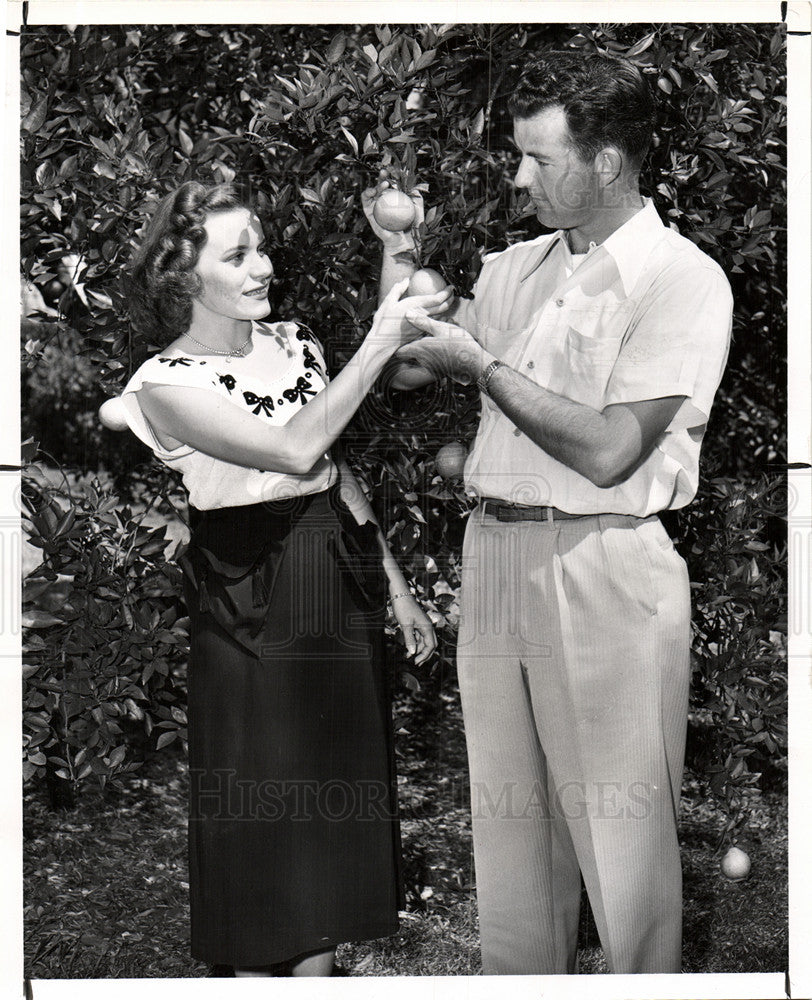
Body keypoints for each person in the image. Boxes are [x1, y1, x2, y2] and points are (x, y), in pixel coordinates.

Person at [363, 51, 733, 975]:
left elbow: (611, 451)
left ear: (607, 161)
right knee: (512, 837)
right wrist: (396, 253)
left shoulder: (678, 280)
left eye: (539, 157)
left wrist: (482, 368)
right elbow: (407, 367)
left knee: (622, 839)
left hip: (602, 567)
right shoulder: (517, 268)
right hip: (494, 561)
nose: (518, 176)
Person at [118, 180, 450, 977]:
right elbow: (296, 449)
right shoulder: (164, 386)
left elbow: (329, 469)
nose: (264, 266)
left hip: (330, 583)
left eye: (261, 246)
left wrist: (396, 585)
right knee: (261, 827)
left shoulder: (295, 344)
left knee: (326, 837)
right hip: (243, 599)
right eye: (238, 255)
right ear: (182, 275)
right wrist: (377, 340)